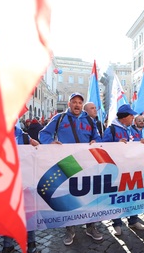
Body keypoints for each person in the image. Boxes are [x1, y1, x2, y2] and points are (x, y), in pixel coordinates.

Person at [39, 92, 103, 245]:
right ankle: (70, 228)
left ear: (82, 105)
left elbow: (98, 137)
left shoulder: (88, 119)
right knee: (70, 196)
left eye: (80, 103)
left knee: (89, 194)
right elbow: (43, 134)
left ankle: (90, 226)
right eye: (74, 102)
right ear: (69, 104)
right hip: (68, 163)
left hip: (87, 163)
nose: (77, 105)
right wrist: (50, 143)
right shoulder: (59, 118)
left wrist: (96, 140)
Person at [102, 104, 144, 235]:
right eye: (131, 115)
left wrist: (142, 142)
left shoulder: (131, 130)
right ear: (124, 117)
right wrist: (116, 145)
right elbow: (103, 147)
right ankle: (116, 223)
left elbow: (136, 143)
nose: (133, 117)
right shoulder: (111, 130)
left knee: (133, 196)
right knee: (117, 197)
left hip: (132, 169)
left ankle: (133, 220)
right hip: (117, 170)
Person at [2, 126, 40, 253]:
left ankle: (31, 244)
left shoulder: (24, 136)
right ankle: (8, 245)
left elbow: (36, 153)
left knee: (28, 211)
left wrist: (36, 145)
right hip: (5, 182)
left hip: (25, 181)